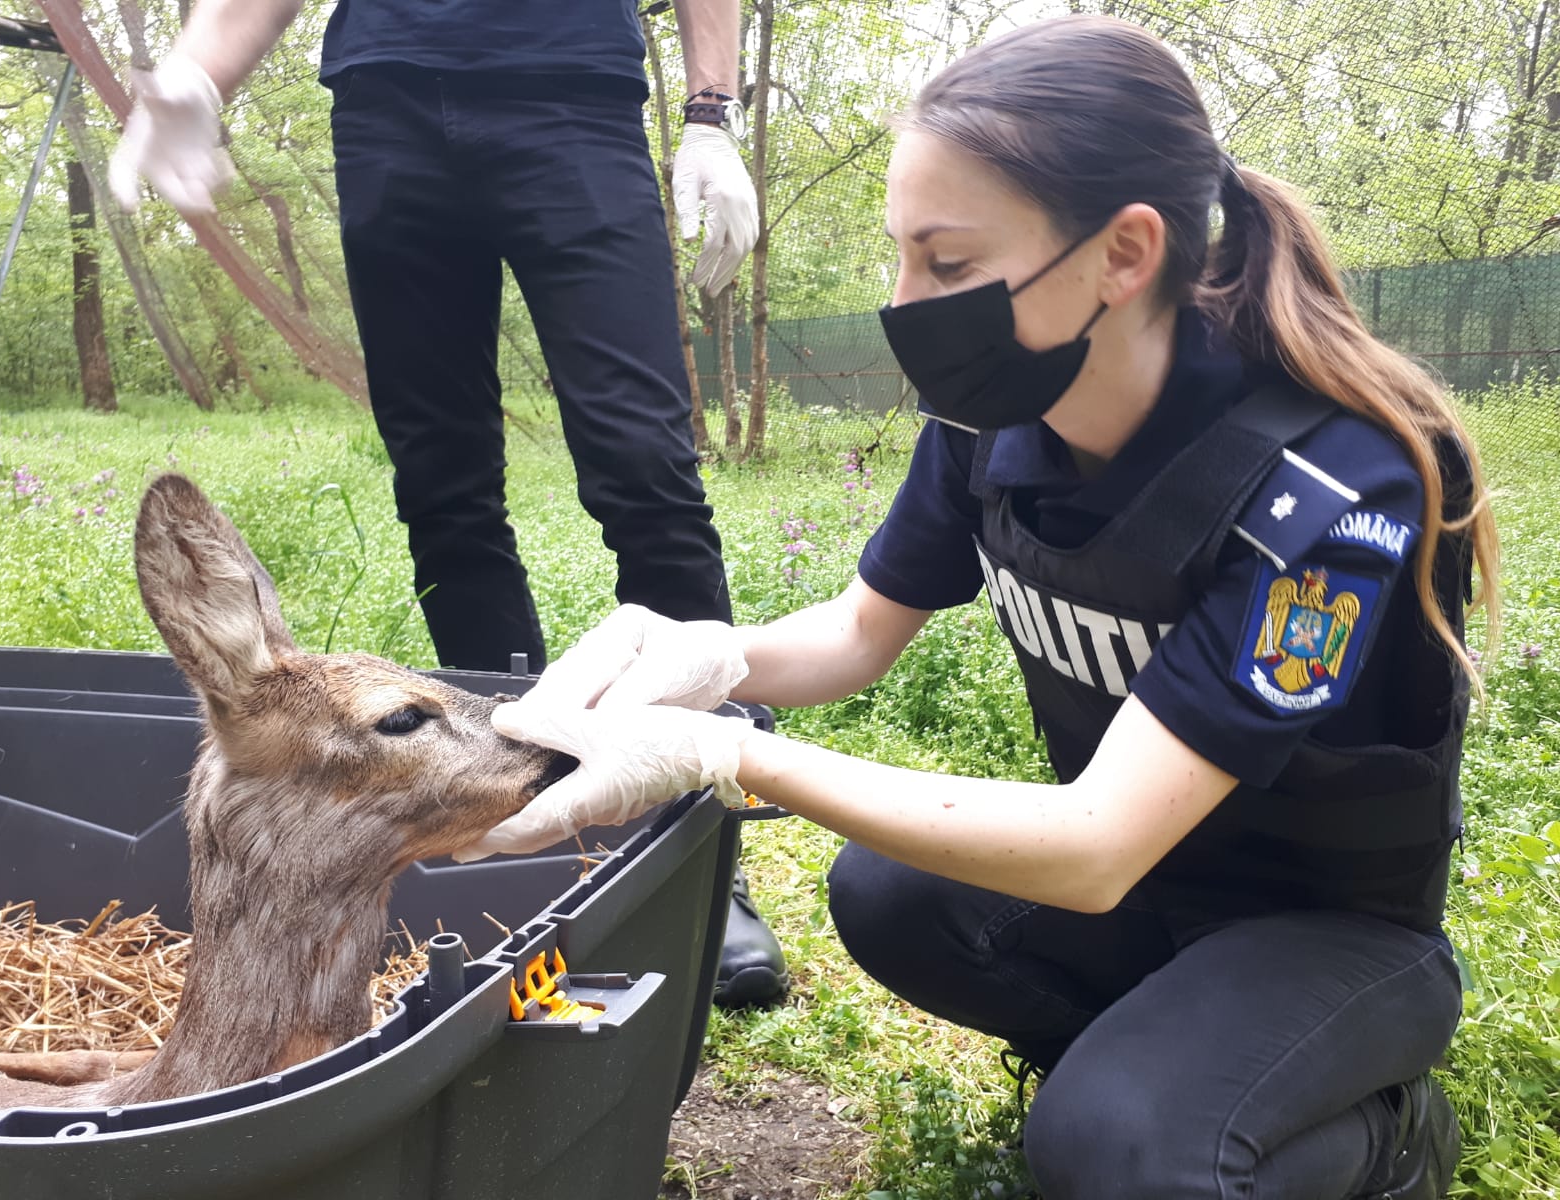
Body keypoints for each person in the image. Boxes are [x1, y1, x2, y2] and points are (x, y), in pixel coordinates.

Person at [463, 14, 1498, 1199]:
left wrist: (721, 753)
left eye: (948, 265)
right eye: (902, 256)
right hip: (1157, 895)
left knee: (1115, 1149)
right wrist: (708, 658)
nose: (908, 306)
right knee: (888, 894)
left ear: (1124, 252)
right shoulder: (997, 424)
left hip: (1330, 934)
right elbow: (858, 634)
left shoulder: (1326, 489)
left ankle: (1381, 1134)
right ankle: (1152, 1063)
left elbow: (1100, 844)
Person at [109, 0, 789, 1008]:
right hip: (389, 96)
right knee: (442, 484)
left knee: (645, 467)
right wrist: (201, 73)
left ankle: (693, 845)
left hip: (572, 93)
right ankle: (525, 826)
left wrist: (710, 111)